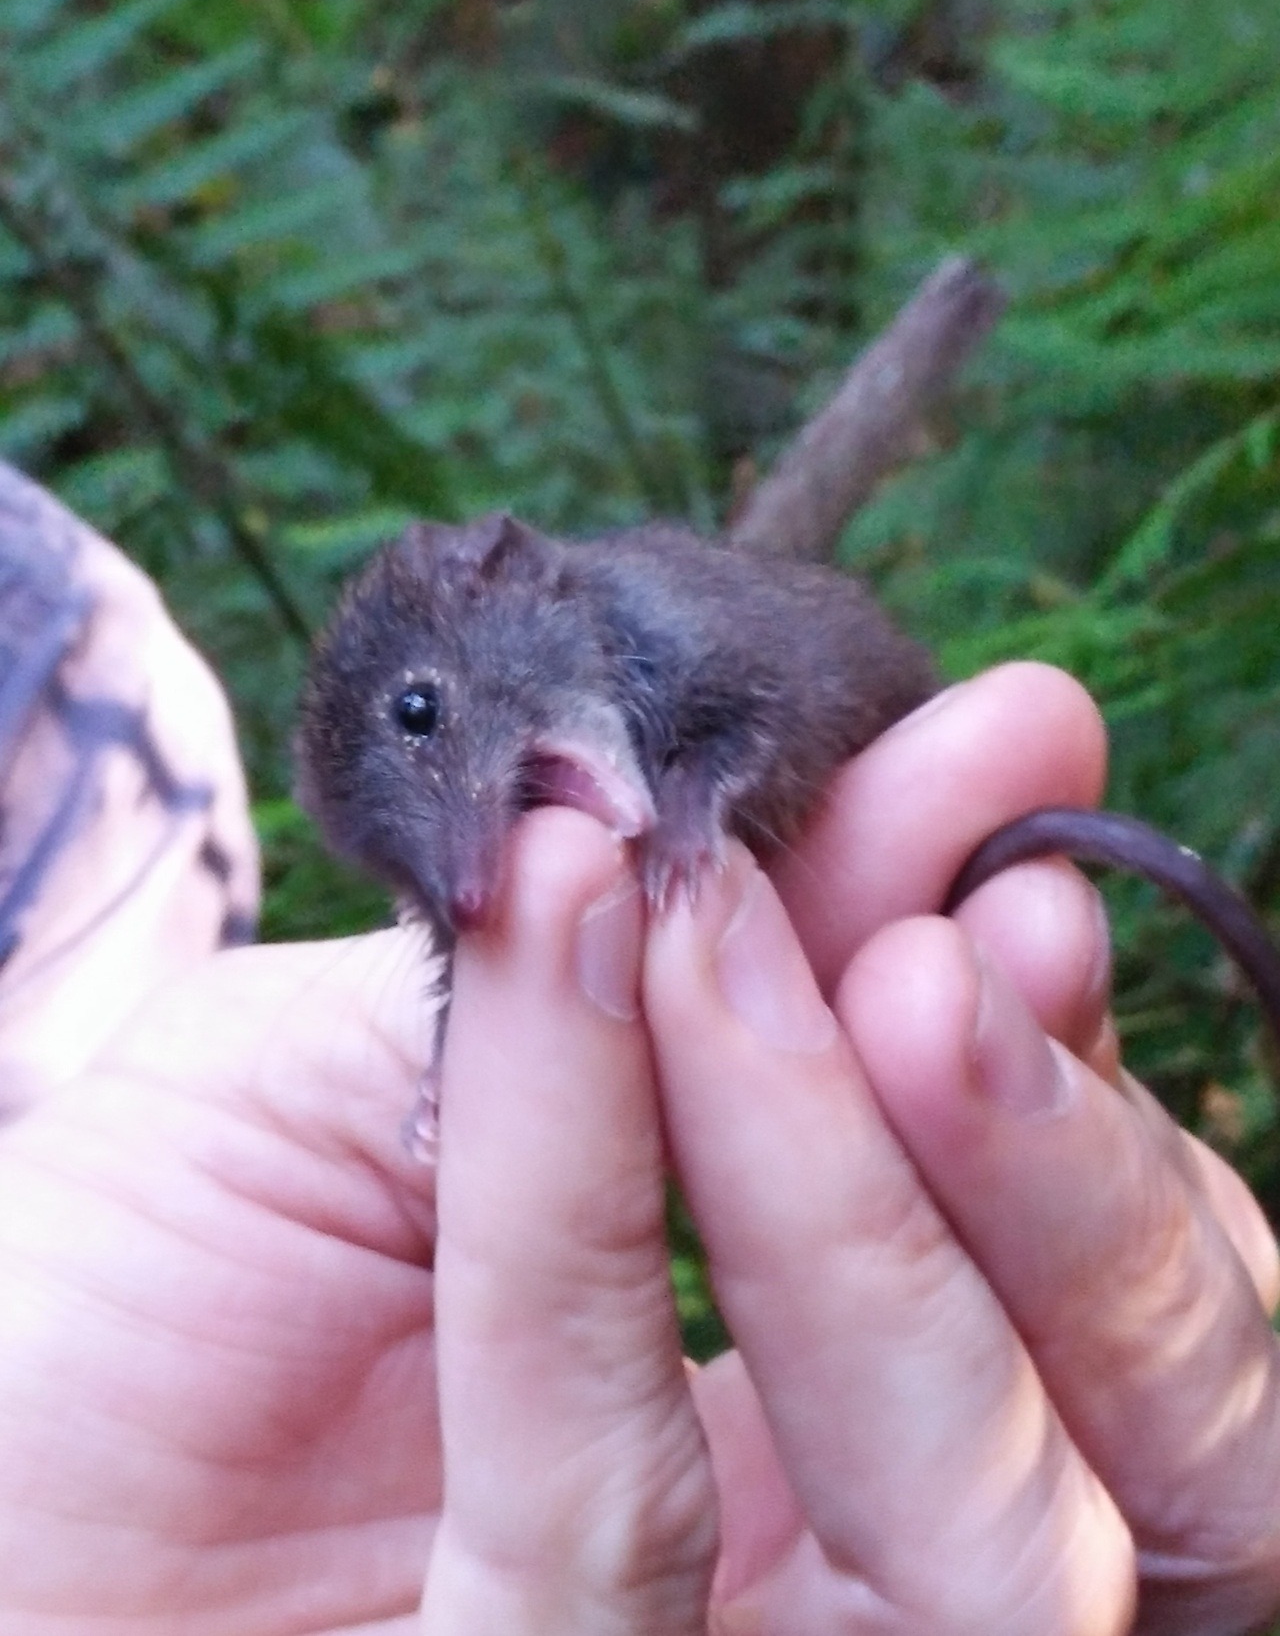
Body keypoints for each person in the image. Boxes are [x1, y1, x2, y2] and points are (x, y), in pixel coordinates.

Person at [0, 467, 1277, 1633]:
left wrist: (696, 811)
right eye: (406, 862)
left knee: (956, 1023)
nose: (458, 873)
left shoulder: (655, 623)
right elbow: (469, 953)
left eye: (421, 717)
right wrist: (451, 1068)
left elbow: (765, 707)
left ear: (495, 572)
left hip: (858, 812)